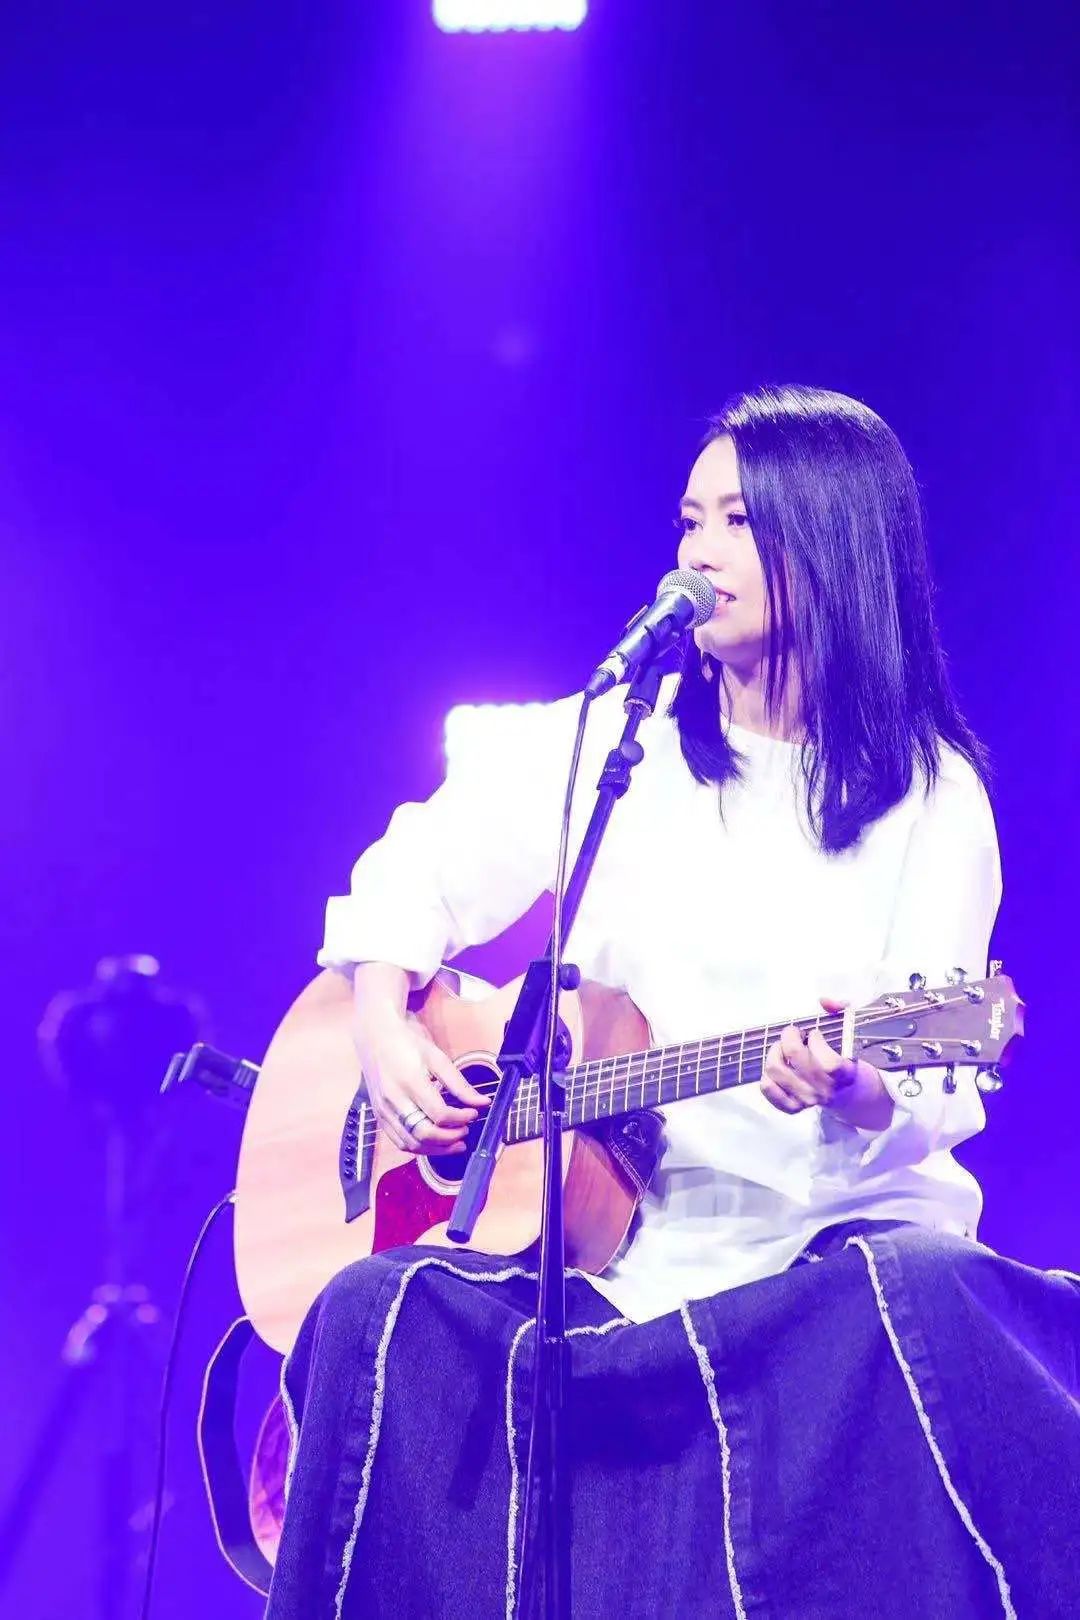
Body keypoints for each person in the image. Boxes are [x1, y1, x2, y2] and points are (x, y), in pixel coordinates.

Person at [264, 386, 1079, 1620]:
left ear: (832, 538)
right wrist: (382, 1021)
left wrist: (857, 1084)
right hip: (623, 1251)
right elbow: (420, 865)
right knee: (376, 1307)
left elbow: (933, 1079)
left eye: (738, 522)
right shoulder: (623, 741)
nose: (699, 552)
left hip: (818, 1251)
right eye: (691, 520)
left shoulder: (931, 794)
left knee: (914, 1293)